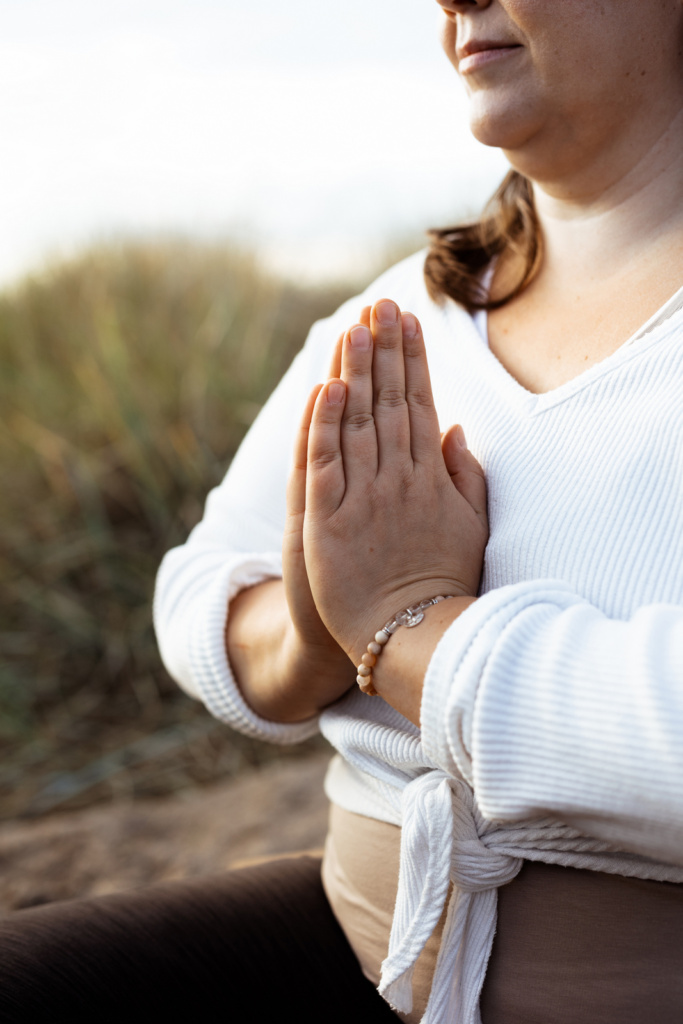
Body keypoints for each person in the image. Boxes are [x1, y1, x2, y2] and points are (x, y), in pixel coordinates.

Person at [2, 1, 683, 1022]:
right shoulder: (408, 309)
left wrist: (407, 623)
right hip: (352, 949)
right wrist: (316, 630)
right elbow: (204, 581)